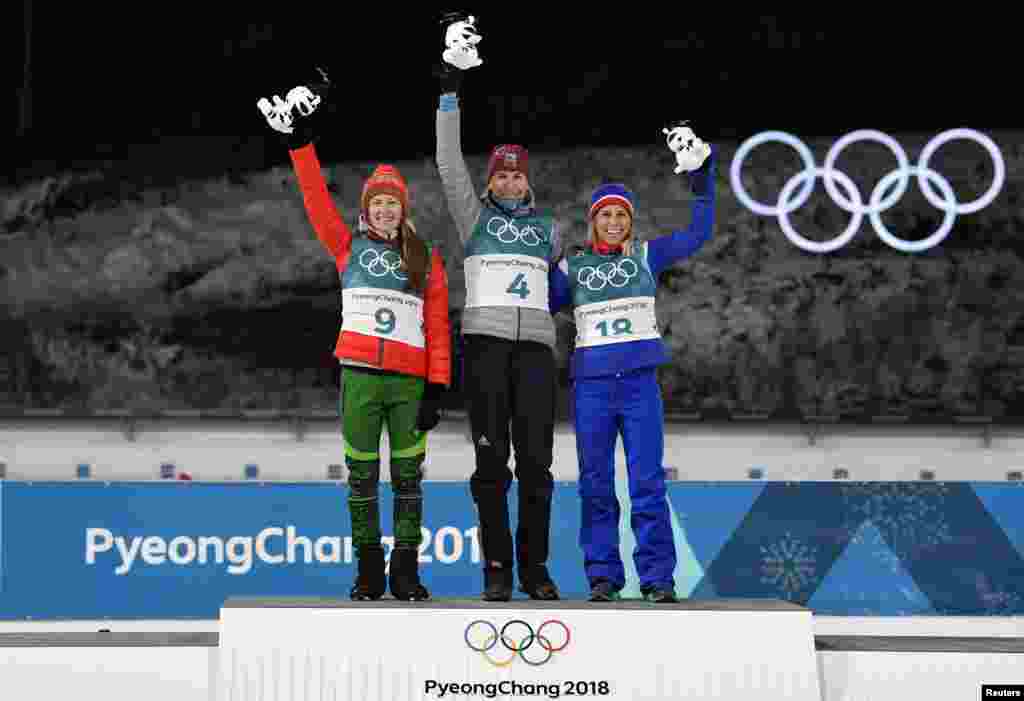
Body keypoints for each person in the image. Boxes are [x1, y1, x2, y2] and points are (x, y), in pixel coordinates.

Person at [259, 74, 451, 601]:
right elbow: (315, 199)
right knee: (361, 477)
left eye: (394, 203)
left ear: (404, 209)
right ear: (367, 210)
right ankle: (368, 569)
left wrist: (437, 386)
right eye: (378, 203)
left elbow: (438, 327)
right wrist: (300, 144)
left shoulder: (426, 259)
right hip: (361, 377)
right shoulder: (346, 246)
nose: (386, 210)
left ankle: (406, 569)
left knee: (408, 477)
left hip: (409, 383)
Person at [550, 143, 717, 603]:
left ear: (630, 220)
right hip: (592, 389)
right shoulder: (572, 265)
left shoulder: (647, 255)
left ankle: (657, 578)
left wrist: (701, 177)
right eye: (605, 215)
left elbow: (698, 233)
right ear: (593, 221)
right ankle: (603, 576)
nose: (613, 222)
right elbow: (537, 300)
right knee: (596, 485)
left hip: (640, 386)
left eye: (621, 215)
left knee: (647, 484)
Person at [435, 41, 569, 602]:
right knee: (491, 464)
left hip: (535, 353)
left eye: (517, 176)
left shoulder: (550, 229)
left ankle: (535, 569)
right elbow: (448, 163)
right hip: (485, 350)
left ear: (526, 182)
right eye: (502, 176)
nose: (510, 182)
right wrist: (450, 91)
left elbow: (562, 290)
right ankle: (496, 567)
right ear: (490, 183)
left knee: (537, 466)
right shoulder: (474, 219)